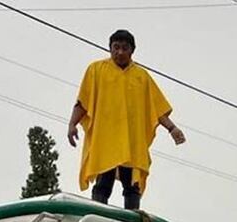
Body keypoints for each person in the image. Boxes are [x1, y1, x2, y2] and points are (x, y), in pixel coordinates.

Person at [68, 28, 186, 210]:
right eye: (116, 47)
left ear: (132, 50)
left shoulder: (142, 77)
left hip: (132, 142)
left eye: (125, 48)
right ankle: (98, 215)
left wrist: (172, 129)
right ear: (110, 48)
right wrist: (72, 124)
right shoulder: (96, 70)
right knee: (103, 183)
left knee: (132, 185)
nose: (120, 52)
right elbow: (83, 102)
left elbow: (156, 108)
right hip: (105, 139)